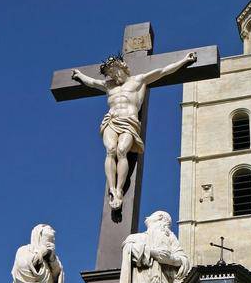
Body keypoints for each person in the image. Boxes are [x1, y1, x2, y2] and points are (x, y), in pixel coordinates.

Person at [72, 51, 197, 209]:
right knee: (110, 150)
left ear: (123, 68)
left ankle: (119, 188)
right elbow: (91, 82)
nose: (113, 76)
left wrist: (184, 61)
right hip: (111, 120)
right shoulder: (108, 86)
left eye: (114, 71)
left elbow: (164, 71)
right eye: (110, 73)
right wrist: (80, 75)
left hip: (129, 121)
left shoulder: (138, 80)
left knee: (122, 150)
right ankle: (112, 189)